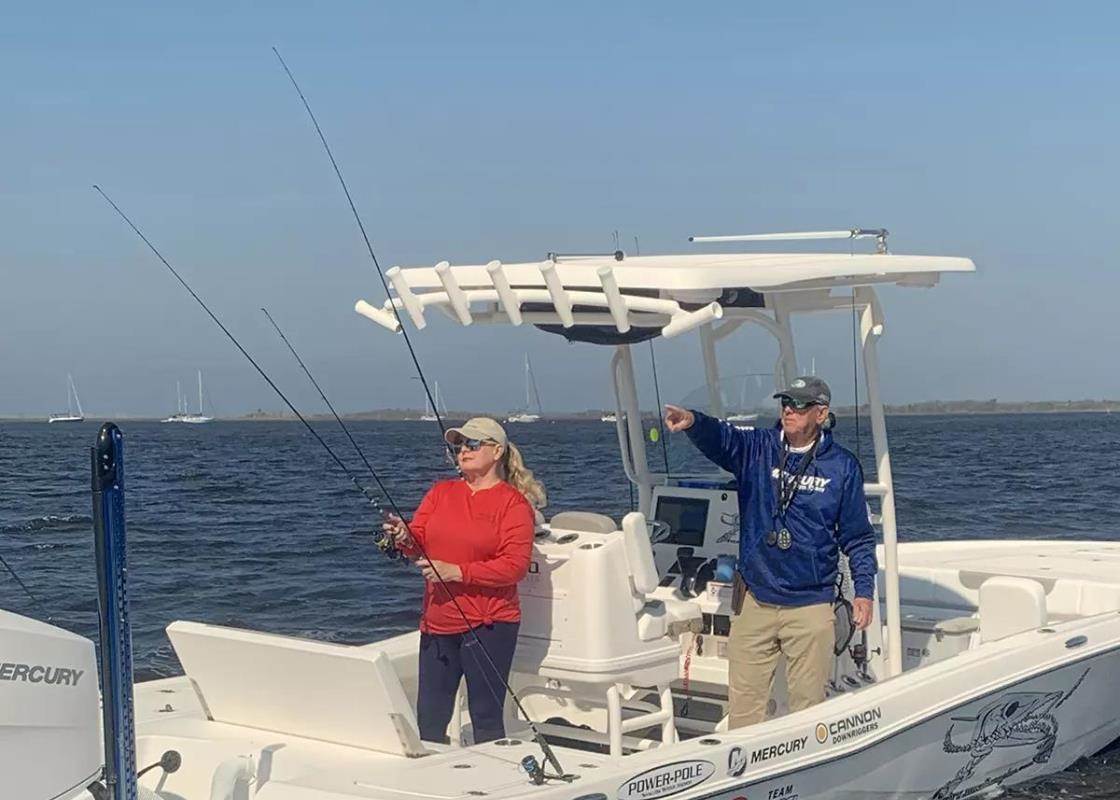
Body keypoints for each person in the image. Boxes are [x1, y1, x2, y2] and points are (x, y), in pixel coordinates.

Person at [663, 376, 877, 728]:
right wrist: (693, 422)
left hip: (810, 604)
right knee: (744, 711)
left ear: (821, 413)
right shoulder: (757, 449)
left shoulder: (842, 467)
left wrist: (864, 592)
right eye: (785, 403)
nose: (789, 410)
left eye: (800, 405)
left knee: (808, 714)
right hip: (756, 600)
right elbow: (724, 439)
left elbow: (858, 538)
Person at [382, 417, 545, 744]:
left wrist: (457, 572)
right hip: (437, 622)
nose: (463, 451)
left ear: (496, 451)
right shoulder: (441, 492)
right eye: (458, 445)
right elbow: (419, 541)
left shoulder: (513, 504)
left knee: (485, 717)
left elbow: (514, 567)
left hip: (489, 625)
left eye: (472, 444)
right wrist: (404, 535)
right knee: (429, 721)